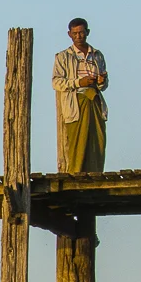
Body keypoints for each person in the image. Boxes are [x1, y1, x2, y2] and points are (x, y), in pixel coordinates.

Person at [52, 20, 108, 173]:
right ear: (69, 34)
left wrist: (101, 81)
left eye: (81, 32)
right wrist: (79, 82)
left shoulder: (97, 55)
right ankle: (75, 175)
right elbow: (56, 82)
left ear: (87, 32)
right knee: (78, 143)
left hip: (95, 100)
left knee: (97, 141)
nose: (78, 36)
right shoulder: (63, 56)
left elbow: (104, 85)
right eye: (75, 33)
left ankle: (96, 174)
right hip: (76, 102)